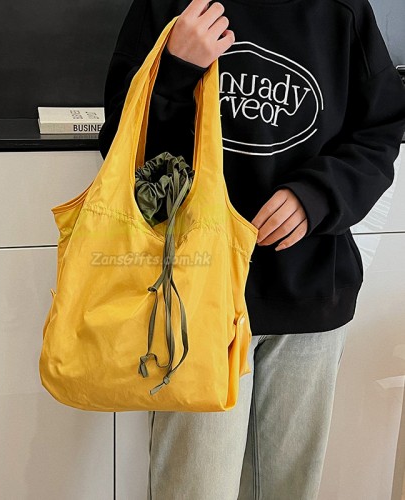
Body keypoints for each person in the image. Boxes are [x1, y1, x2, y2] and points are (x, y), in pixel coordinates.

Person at [98, 0, 405, 498]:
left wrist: (317, 196)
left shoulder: (340, 10)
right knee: (193, 488)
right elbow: (122, 145)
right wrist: (175, 71)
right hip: (194, 299)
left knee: (287, 489)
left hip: (308, 297)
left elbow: (379, 130)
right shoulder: (169, 5)